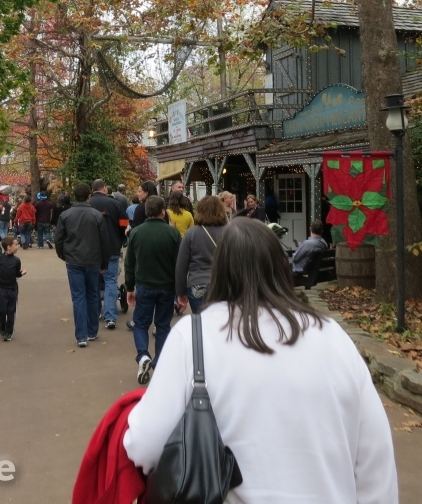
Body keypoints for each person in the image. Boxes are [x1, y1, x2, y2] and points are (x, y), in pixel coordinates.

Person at [123, 218, 398, 503]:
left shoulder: (192, 336)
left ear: (221, 269)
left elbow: (144, 445)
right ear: (280, 267)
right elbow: (375, 459)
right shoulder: (333, 336)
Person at [125, 195, 181, 385]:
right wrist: (180, 289)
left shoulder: (136, 233)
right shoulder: (173, 234)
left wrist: (130, 287)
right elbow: (179, 264)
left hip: (144, 285)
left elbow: (130, 263)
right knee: (163, 325)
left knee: (140, 324)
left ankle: (143, 355)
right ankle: (160, 362)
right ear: (163, 211)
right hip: (167, 286)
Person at [54, 182, 112, 348]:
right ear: (89, 197)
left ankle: (81, 336)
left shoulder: (66, 215)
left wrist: (63, 255)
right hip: (93, 260)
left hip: (74, 260)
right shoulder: (96, 215)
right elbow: (104, 241)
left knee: (78, 297)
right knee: (92, 294)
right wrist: (104, 262)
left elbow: (58, 238)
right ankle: (92, 330)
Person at [175, 195, 227, 314]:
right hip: (223, 284)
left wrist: (181, 292)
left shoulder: (191, 233)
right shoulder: (230, 231)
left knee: (201, 324)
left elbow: (181, 266)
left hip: (197, 283)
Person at [90, 179, 129, 330]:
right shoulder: (115, 204)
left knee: (94, 281)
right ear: (105, 189)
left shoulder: (88, 204)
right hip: (112, 247)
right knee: (111, 281)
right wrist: (121, 238)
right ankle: (110, 316)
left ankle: (95, 312)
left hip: (92, 250)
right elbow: (124, 224)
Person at [0, 235, 28, 341]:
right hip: (2, 289)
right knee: (1, 311)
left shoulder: (16, 260)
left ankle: (9, 331)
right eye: (16, 245)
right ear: (8, 247)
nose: (18, 247)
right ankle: (2, 326)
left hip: (13, 289)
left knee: (11, 311)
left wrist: (22, 273)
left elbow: (17, 274)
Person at [291, 220, 329, 285]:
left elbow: (295, 258)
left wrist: (302, 246)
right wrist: (302, 245)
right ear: (322, 231)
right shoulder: (324, 243)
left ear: (310, 228)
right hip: (313, 268)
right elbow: (313, 246)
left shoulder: (307, 244)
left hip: (302, 268)